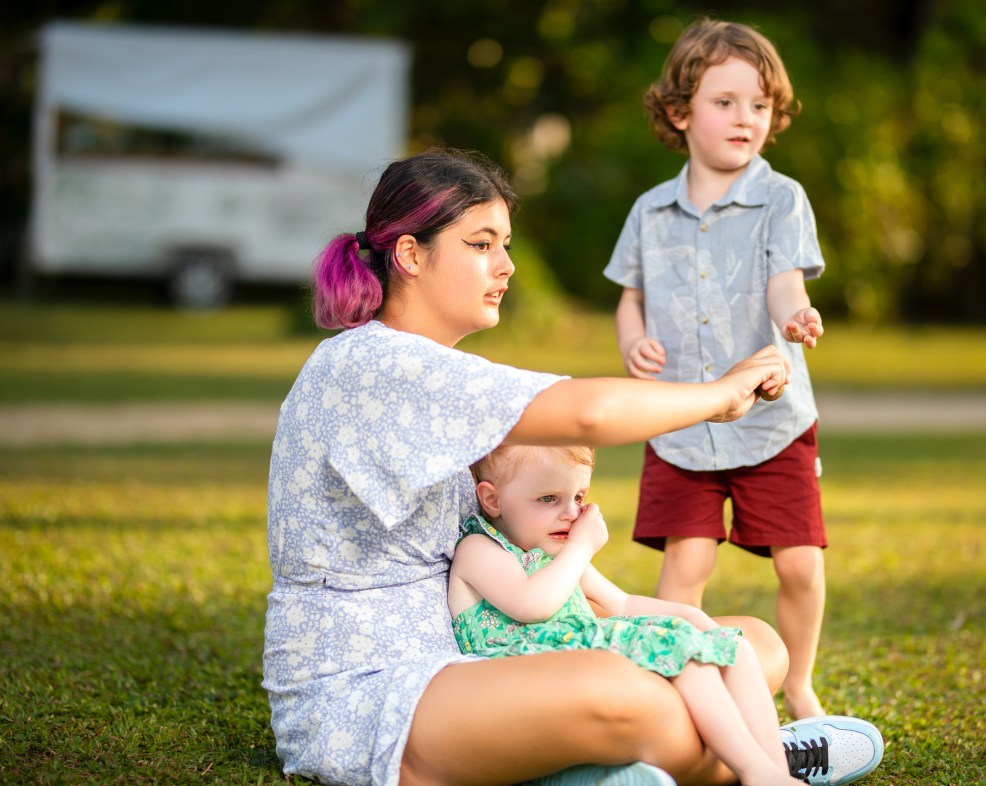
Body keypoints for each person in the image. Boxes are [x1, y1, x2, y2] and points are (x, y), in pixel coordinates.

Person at [263, 148, 883, 786]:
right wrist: (719, 395)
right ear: (411, 256)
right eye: (482, 244)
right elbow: (587, 415)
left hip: (485, 657)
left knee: (757, 646)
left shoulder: (426, 367)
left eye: (506, 244)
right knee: (629, 694)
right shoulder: (371, 365)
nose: (506, 267)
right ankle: (756, 757)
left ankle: (668, 761)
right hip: (375, 688)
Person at [603, 18, 830, 721]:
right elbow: (629, 299)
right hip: (682, 419)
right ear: (680, 112)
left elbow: (784, 281)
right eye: (725, 102)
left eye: (759, 105)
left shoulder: (782, 198)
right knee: (687, 564)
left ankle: (796, 685)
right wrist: (632, 340)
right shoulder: (650, 210)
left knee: (800, 564)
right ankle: (677, 694)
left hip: (770, 420)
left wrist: (796, 315)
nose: (745, 118)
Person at [451, 443, 875, 786]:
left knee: (731, 649)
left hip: (574, 659)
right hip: (521, 680)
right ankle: (754, 771)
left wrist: (689, 615)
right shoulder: (481, 550)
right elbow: (532, 605)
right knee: (686, 656)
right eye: (548, 499)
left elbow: (620, 603)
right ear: (492, 499)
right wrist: (580, 549)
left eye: (579, 497)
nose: (571, 513)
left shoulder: (552, 549)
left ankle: (772, 766)